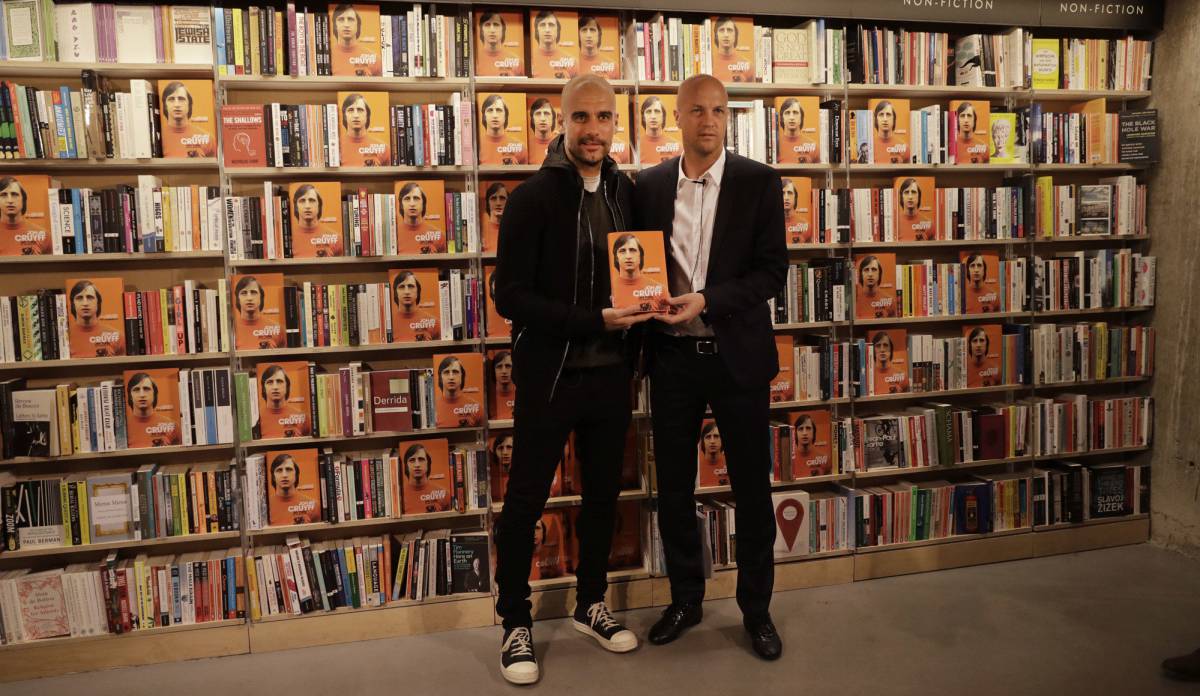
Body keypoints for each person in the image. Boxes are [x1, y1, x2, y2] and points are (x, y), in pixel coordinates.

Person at [492, 74, 644, 684]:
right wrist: (591, 320)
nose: (593, 130)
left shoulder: (627, 193)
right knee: (526, 498)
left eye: (604, 118)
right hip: (551, 376)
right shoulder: (532, 197)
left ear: (615, 124)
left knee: (603, 495)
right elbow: (510, 296)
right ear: (562, 122)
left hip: (612, 375)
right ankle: (514, 622)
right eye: (582, 118)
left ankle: (590, 605)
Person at [633, 74, 787, 661]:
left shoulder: (758, 182)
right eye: (696, 111)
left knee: (751, 490)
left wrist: (708, 300)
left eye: (718, 111)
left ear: (729, 117)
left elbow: (773, 273)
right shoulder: (646, 185)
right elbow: (632, 259)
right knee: (674, 489)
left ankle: (758, 611)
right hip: (672, 359)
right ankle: (685, 599)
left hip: (737, 358)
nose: (708, 120)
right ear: (677, 116)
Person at [610, 233, 668, 313]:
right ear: (616, 258)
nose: (628, 256)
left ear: (640, 256)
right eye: (622, 251)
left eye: (632, 250)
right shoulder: (610, 290)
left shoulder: (661, 290)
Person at [68, 279, 124, 357]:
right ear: (73, 303)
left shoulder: (118, 336)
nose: (85, 303)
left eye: (90, 297)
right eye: (79, 298)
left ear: (98, 303)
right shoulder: (64, 339)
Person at [160, 82, 215, 158]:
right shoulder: (158, 138)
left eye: (181, 99)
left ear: (189, 104)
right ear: (165, 105)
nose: (177, 105)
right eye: (171, 99)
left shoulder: (207, 138)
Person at [125, 372, 181, 448]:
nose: (142, 395)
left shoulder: (172, 426)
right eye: (136, 389)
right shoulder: (123, 428)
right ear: (130, 395)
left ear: (154, 394)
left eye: (146, 389)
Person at [0, 177, 49, 255]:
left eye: (14, 194)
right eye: (3, 195)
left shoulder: (43, 234)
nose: (10, 200)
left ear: (23, 200)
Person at [259, 364, 310, 438]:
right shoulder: (257, 419)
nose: (275, 387)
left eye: (279, 381)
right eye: (270, 382)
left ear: (287, 387)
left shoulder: (302, 417)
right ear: (264, 388)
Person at [292, 184, 342, 257]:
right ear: (296, 206)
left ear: (319, 205)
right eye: (302, 201)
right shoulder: (287, 239)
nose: (307, 206)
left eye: (312, 200)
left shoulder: (336, 238)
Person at [234, 275, 283, 349]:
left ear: (261, 297)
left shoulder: (277, 328)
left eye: (253, 292)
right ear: (238, 298)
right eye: (244, 293)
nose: (249, 298)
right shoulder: (231, 330)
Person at [268, 453, 319, 524]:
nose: (284, 475)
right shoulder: (266, 507)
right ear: (273, 476)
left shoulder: (313, 505)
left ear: (296, 474)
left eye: (289, 469)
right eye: (279, 470)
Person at [330, 4, 380, 76]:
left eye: (350, 19)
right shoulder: (326, 58)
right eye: (341, 19)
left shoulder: (374, 58)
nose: (346, 25)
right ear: (335, 25)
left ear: (358, 24)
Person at [402, 443, 451, 513]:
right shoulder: (399, 497)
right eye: (412, 460)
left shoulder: (444, 494)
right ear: (406, 466)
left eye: (421, 459)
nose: (417, 465)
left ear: (428, 464)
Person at [435, 355, 482, 427]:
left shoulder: (476, 408)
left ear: (462, 377)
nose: (451, 377)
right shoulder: (432, 409)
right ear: (440, 377)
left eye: (455, 372)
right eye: (446, 372)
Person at [340, 93, 387, 166]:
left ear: (367, 115)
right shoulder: (335, 147)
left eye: (360, 110)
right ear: (345, 116)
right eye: (350, 110)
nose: (356, 115)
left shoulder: (383, 147)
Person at [480, 94, 527, 165]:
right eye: (490, 110)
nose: (495, 115)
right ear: (484, 116)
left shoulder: (520, 146)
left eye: (499, 110)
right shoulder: (476, 146)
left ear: (505, 116)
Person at [391, 270, 437, 342]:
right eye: (401, 287)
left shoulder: (434, 322)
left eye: (411, 286)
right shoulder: (388, 325)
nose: (407, 292)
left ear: (418, 292)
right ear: (396, 292)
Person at [532, 10, 575, 79]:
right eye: (543, 25)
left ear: (557, 30)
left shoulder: (572, 62)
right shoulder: (529, 59)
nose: (547, 30)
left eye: (551, 25)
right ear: (537, 30)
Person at [477, 11, 520, 76]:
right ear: (481, 30)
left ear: (503, 30)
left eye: (496, 25)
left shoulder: (516, 60)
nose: (492, 30)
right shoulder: (475, 60)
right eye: (487, 25)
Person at [713, 17, 752, 82]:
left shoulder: (749, 66)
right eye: (722, 30)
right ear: (716, 35)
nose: (726, 35)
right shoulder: (708, 64)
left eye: (729, 30)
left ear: (735, 35)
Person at [777, 98, 816, 163]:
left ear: (801, 118)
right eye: (787, 113)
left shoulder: (813, 146)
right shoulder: (774, 146)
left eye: (795, 112)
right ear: (782, 118)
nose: (791, 117)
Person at [697, 421, 729, 487]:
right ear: (702, 441)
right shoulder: (696, 464)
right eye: (708, 437)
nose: (712, 441)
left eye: (716, 436)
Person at [482, 182, 510, 253]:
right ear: (487, 203)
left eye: (502, 198)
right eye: (493, 198)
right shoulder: (480, 229)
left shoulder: (514, 228)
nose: (498, 203)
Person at [781, 178, 811, 244]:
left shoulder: (806, 225)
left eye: (790, 193)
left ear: (795, 197)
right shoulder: (770, 225)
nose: (786, 197)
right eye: (782, 193)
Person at [529, 98, 558, 164]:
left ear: (553, 118)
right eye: (538, 114)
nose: (542, 119)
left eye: (546, 113)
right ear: (532, 119)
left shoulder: (562, 145)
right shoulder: (526, 147)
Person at [489, 433, 515, 500]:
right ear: (495, 451)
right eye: (500, 448)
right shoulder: (490, 477)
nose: (505, 452)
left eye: (509, 447)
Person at [492, 350, 516, 420]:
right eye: (499, 367)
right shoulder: (488, 398)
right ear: (493, 371)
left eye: (508, 366)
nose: (504, 371)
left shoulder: (523, 395)